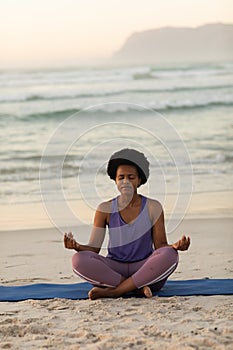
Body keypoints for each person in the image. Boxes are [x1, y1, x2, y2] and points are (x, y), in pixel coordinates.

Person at [64, 148, 190, 300]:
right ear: (115, 180)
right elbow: (93, 249)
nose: (125, 181)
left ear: (139, 180)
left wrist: (175, 246)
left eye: (131, 177)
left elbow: (161, 246)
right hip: (114, 271)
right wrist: (76, 246)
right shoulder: (105, 209)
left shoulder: (153, 207)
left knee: (170, 255)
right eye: (121, 177)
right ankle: (136, 288)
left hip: (145, 269)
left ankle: (115, 292)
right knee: (79, 260)